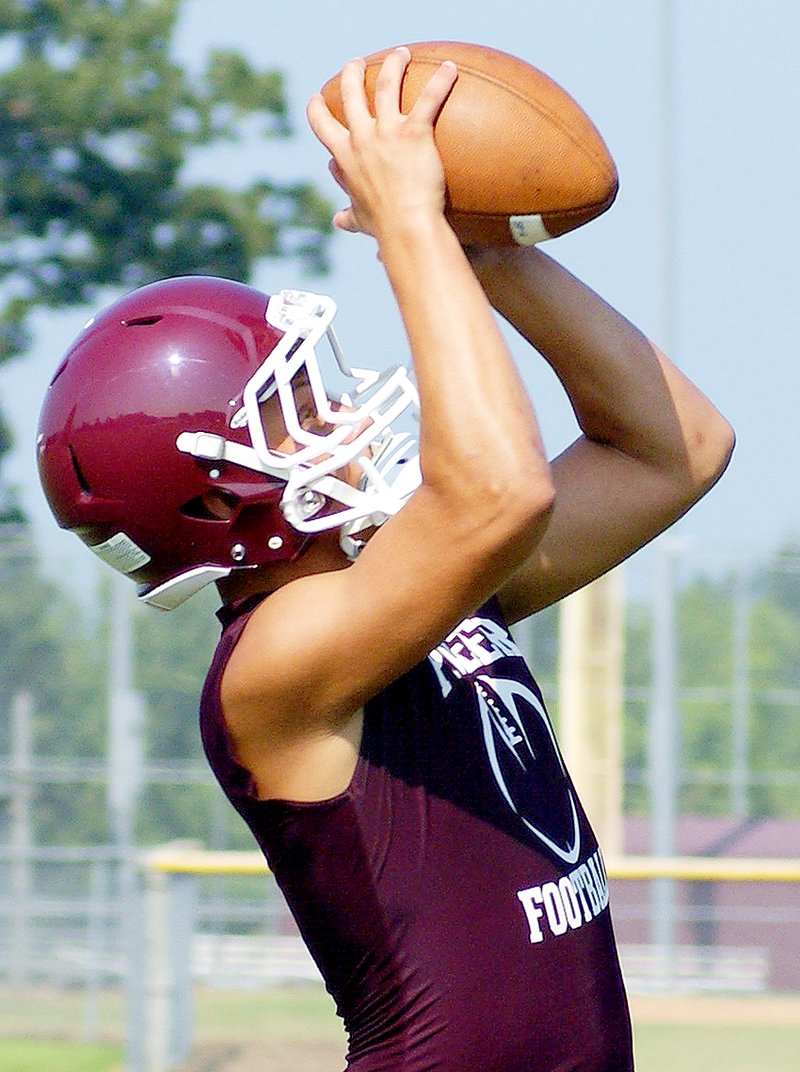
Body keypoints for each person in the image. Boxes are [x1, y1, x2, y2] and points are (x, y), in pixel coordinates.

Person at [37, 47, 734, 1072]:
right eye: (293, 404)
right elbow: (501, 491)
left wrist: (487, 251)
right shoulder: (276, 665)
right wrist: (410, 231)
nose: (338, 407)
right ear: (219, 491)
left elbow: (671, 448)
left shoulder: (407, 591)